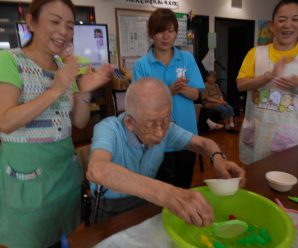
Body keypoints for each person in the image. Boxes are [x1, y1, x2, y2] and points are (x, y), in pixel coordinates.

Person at [0, 0, 113, 247]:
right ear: (31, 22)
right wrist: (57, 88)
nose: (64, 31)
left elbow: (80, 122)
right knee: (33, 239)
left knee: (64, 237)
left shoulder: (64, 67)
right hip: (27, 177)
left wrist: (84, 91)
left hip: (63, 173)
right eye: (54, 21)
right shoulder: (9, 61)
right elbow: (6, 122)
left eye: (70, 25)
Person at [87, 77, 246, 224]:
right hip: (111, 209)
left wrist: (218, 158)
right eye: (150, 124)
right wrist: (167, 193)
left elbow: (204, 143)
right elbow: (97, 170)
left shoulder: (165, 129)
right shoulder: (108, 129)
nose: (160, 133)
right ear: (129, 122)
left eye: (165, 121)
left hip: (146, 202)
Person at [132, 8, 204, 189]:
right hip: (156, 138)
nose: (166, 36)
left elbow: (196, 94)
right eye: (160, 31)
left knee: (184, 187)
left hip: (187, 136)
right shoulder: (142, 65)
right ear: (151, 34)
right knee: (161, 192)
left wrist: (182, 89)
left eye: (171, 31)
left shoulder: (186, 59)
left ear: (175, 33)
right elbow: (139, 104)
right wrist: (168, 91)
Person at [237, 0, 298, 164]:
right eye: (282, 19)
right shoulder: (255, 53)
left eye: (295, 19)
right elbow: (240, 85)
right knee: (254, 184)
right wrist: (268, 76)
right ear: (272, 25)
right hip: (257, 134)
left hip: (291, 139)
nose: (288, 25)